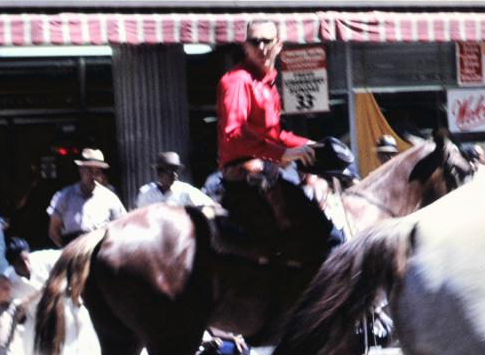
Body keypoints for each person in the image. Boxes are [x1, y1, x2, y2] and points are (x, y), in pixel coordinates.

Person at [216, 19, 339, 253]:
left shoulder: (267, 85)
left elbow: (275, 134)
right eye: (255, 41)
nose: (261, 47)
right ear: (245, 47)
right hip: (248, 175)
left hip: (265, 172)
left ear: (278, 45)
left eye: (267, 41)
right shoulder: (238, 81)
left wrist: (309, 145)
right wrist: (284, 153)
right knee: (326, 234)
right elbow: (235, 133)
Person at [5, 237, 95, 355]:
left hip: (63, 315)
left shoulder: (46, 258)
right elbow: (10, 305)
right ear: (13, 264)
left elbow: (74, 262)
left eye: (26, 258)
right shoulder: (9, 278)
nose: (26, 263)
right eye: (21, 262)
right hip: (36, 324)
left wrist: (73, 289)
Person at [47, 149, 126, 247]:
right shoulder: (65, 196)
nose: (93, 176)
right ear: (81, 170)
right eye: (90, 171)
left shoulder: (110, 198)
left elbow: (123, 226)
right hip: (73, 249)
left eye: (97, 172)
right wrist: (66, 252)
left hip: (99, 251)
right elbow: (53, 231)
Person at [135, 151, 214, 209]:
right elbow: (139, 217)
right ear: (160, 174)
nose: (175, 175)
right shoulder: (146, 193)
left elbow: (210, 205)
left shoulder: (185, 191)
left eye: (176, 171)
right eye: (170, 171)